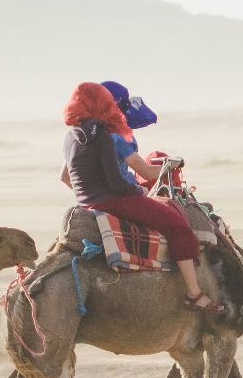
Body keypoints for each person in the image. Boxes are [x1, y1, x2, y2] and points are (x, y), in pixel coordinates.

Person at [61, 82, 225, 314]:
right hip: (114, 200)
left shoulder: (70, 137)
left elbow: (64, 177)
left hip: (85, 203)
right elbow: (117, 182)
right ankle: (194, 293)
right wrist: (147, 187)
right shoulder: (107, 136)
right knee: (176, 224)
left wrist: (89, 193)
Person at [99, 80, 163, 189]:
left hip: (90, 198)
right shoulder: (118, 137)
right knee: (164, 206)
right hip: (124, 194)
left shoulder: (80, 133)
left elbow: (65, 176)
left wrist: (90, 196)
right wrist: (172, 166)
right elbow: (147, 173)